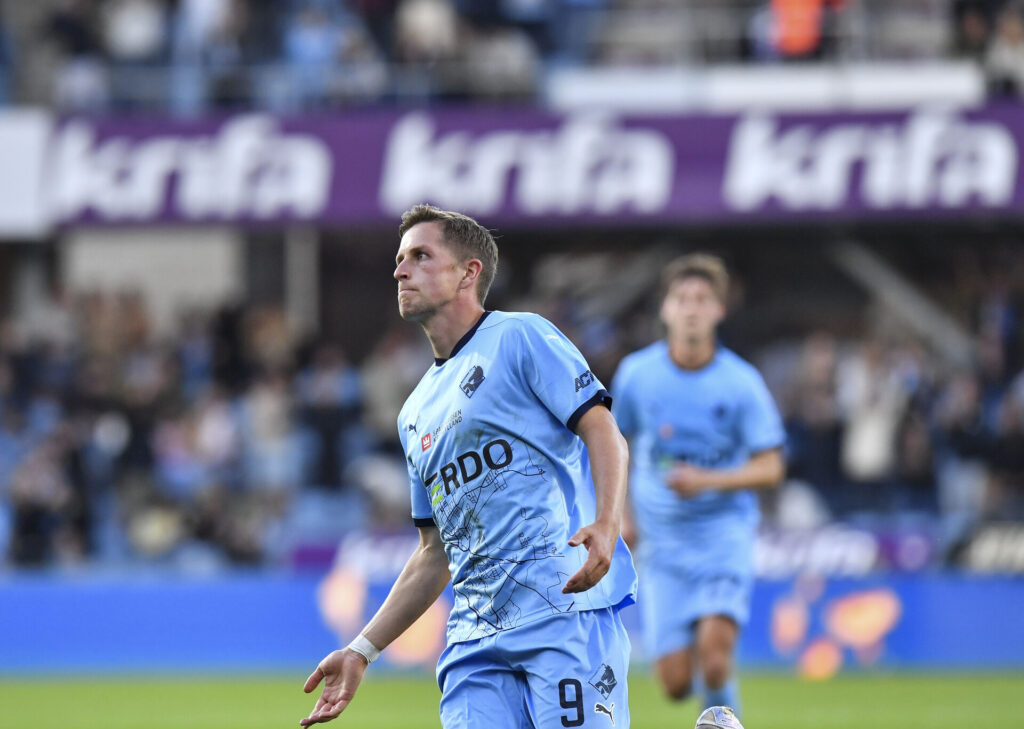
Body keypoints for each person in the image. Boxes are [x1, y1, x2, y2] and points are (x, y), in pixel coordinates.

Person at [301, 204, 637, 728]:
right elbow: (434, 552)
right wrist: (362, 649)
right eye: (399, 259)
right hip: (473, 645)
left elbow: (603, 430)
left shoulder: (519, 337)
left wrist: (608, 524)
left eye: (420, 256)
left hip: (561, 611)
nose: (400, 270)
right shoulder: (413, 412)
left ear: (468, 272)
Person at [611, 254, 785, 717]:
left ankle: (723, 720)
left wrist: (708, 480)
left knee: (713, 657)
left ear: (719, 311)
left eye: (702, 300)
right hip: (661, 543)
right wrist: (619, 512)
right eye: (681, 299)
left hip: (722, 534)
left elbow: (770, 467)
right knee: (673, 684)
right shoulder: (636, 375)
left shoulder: (742, 383)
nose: (691, 308)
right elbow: (613, 444)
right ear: (665, 310)